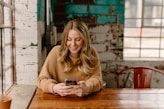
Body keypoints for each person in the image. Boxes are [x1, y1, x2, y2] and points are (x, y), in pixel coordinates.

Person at [37, 19, 103, 97]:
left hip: (85, 102)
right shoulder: (55, 52)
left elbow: (98, 79)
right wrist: (54, 88)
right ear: (64, 40)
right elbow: (41, 80)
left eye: (78, 40)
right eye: (69, 39)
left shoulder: (91, 52)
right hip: (58, 101)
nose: (73, 44)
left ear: (85, 40)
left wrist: (88, 88)